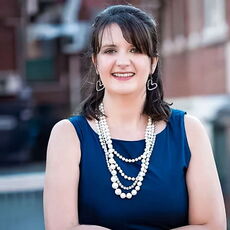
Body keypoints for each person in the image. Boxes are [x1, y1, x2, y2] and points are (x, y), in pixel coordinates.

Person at [43, 4, 226, 230]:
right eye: (110, 50)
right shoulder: (68, 136)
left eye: (135, 50)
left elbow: (211, 225)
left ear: (153, 62)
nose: (122, 61)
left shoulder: (189, 131)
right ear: (95, 62)